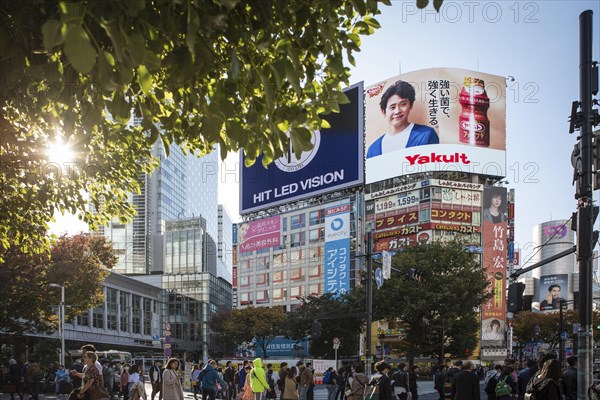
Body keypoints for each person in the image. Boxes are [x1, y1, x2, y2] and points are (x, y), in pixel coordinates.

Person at [367, 80, 439, 158]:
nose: (397, 111)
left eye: (403, 104)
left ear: (410, 105)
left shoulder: (426, 135)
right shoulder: (373, 150)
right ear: (384, 112)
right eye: (392, 107)